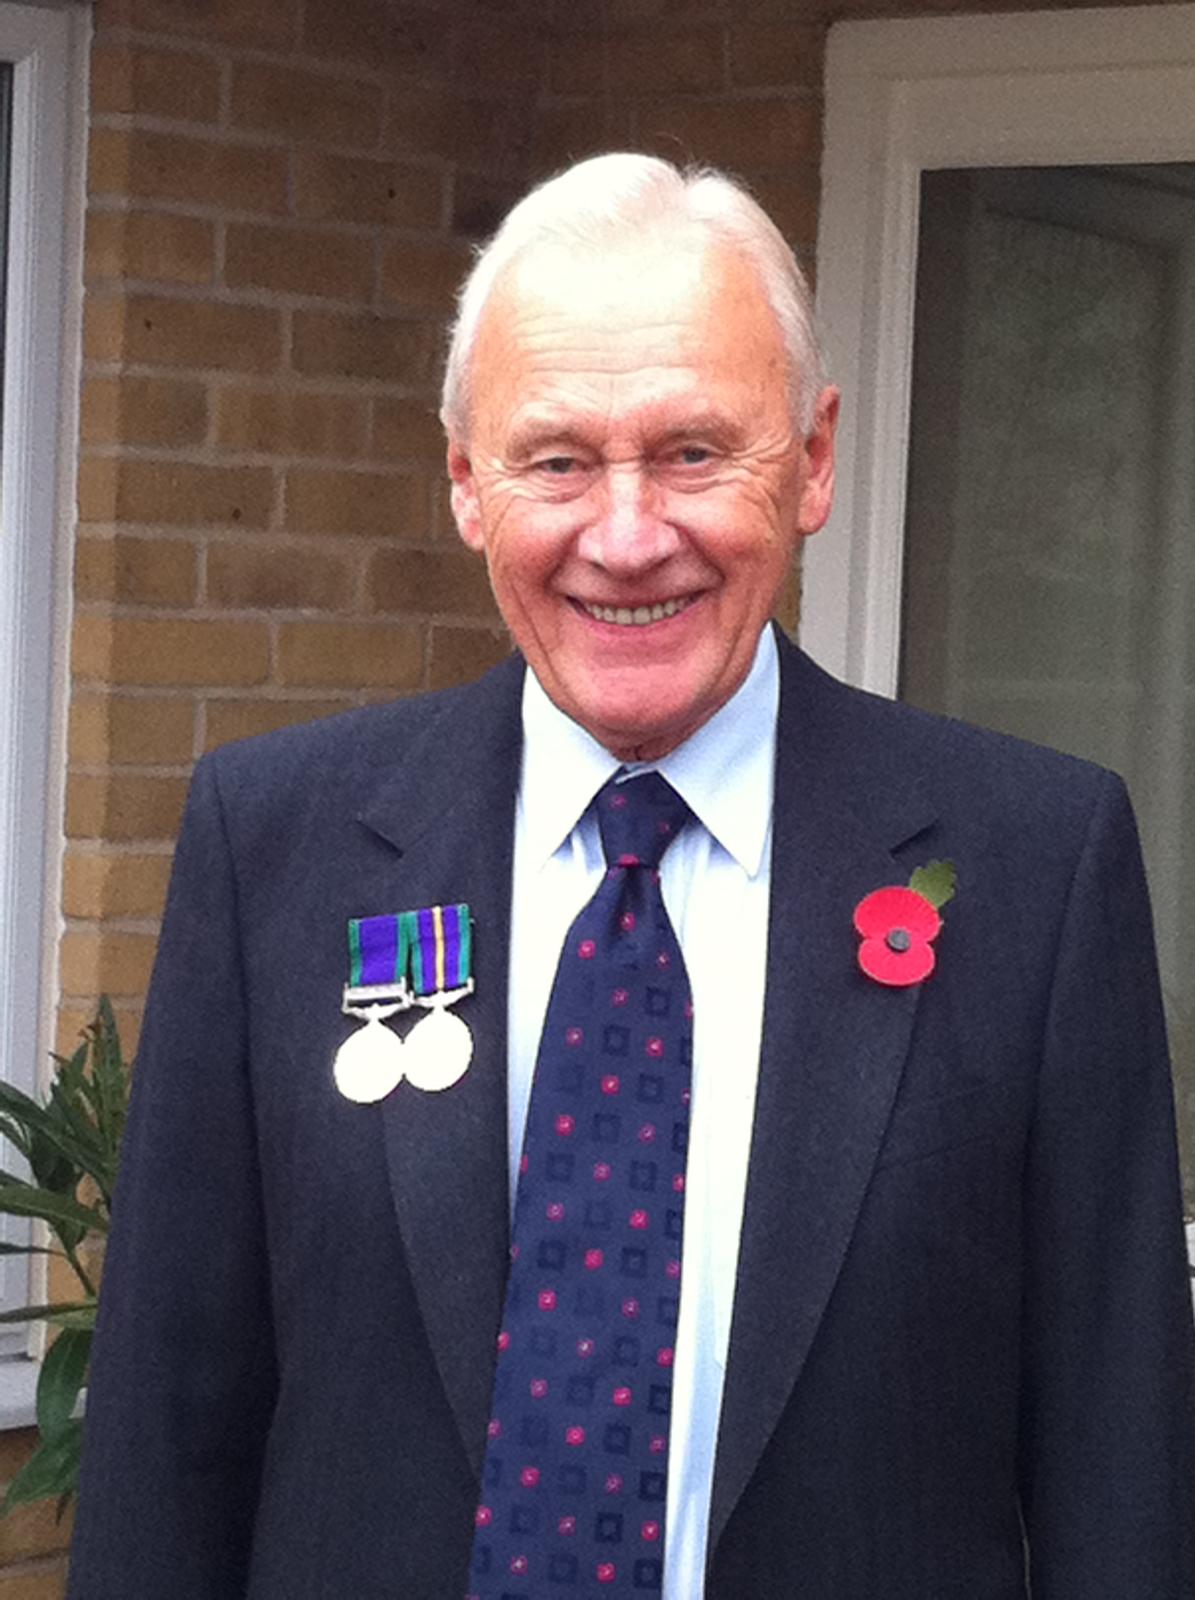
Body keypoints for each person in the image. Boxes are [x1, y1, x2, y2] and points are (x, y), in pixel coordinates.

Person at [69, 153, 1195, 1599]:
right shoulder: (277, 842)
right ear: (467, 484)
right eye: (555, 459)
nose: (625, 534)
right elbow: (170, 1432)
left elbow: (1121, 1469)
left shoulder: (1036, 866)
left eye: (692, 451)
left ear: (816, 460)